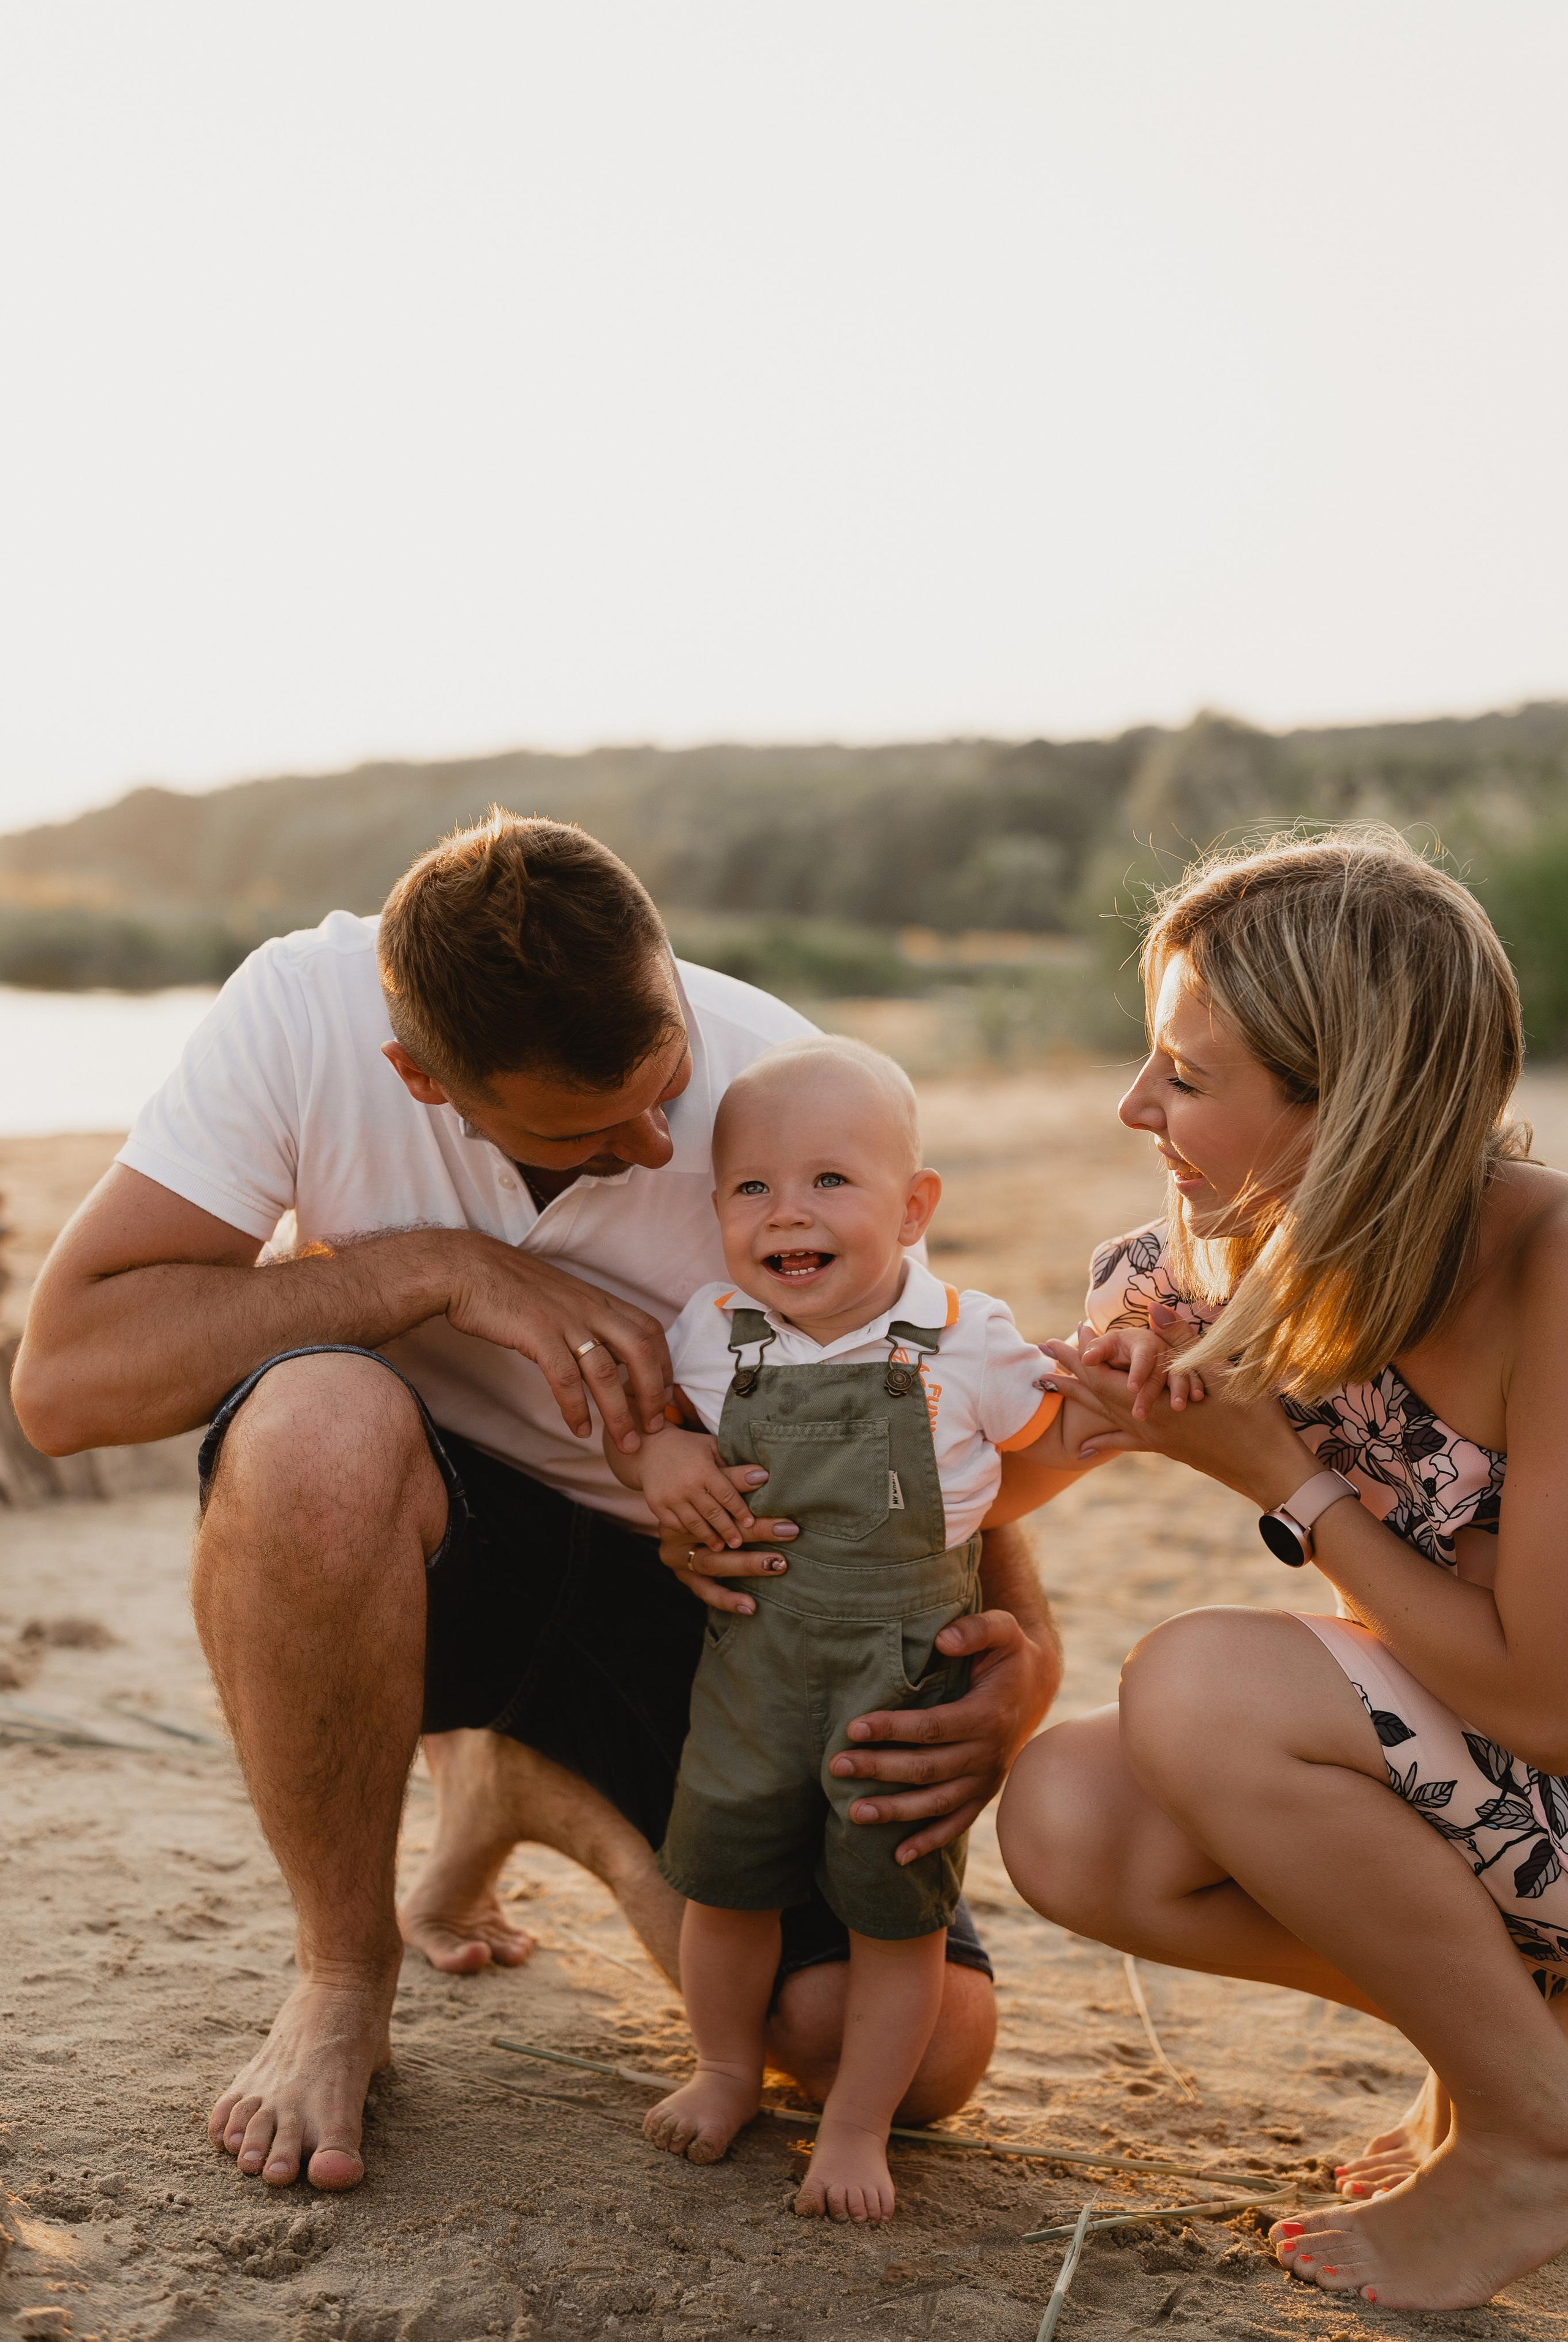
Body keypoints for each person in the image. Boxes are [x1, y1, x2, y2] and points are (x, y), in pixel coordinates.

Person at [12, 810, 1060, 2192]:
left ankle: (535, 1786)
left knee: (915, 2062)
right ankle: (343, 1970)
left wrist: (1019, 1658)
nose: (652, 1140)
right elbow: (67, 1383)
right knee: (314, 1417)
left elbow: (918, 1393)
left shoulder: (780, 1091)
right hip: (432, 1541)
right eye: (588, 1129)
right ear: (420, 1078)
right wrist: (432, 1269)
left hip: (715, 1587)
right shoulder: (301, 1018)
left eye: (662, 1082)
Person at [992, 827, 1568, 2314]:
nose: (1133, 1106)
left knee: (1204, 1682)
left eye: (1182, 1076)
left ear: (1348, 1107)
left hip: (1547, 1750)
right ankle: (1510, 2048)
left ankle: (1533, 2134)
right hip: (1501, 1802)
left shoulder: (1553, 1269)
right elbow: (991, 1484)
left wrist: (1281, 1478)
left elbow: (1544, 1703)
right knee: (1070, 1815)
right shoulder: (1204, 1258)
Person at [606, 1037, 1077, 2221]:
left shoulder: (965, 1338)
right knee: (725, 1886)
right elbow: (652, 1421)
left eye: (829, 1182)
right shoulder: (716, 1329)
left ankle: (858, 2126)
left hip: (903, 1680)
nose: (786, 1213)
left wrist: (1129, 1390)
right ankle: (724, 2070)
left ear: (914, 1206)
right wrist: (660, 1448)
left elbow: (1058, 1438)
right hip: (754, 1672)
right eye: (751, 1188)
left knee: (891, 1910)